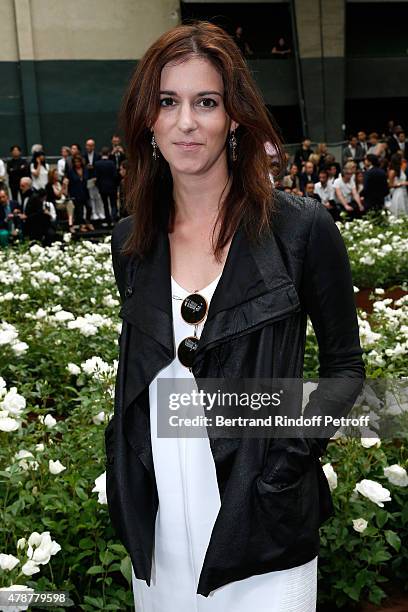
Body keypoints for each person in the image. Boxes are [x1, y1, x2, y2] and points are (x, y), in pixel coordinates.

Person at [107, 20, 364, 612]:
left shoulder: (299, 231)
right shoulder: (132, 242)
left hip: (261, 529)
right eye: (168, 102)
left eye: (206, 102)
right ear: (148, 119)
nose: (186, 122)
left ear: (234, 118)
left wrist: (283, 466)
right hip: (160, 532)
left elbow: (346, 368)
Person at [66, 155, 94, 232]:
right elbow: (69, 183)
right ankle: (82, 225)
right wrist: (69, 194)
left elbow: (88, 179)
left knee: (89, 207)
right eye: (75, 162)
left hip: (85, 192)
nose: (77, 163)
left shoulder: (85, 170)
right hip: (76, 193)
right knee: (79, 210)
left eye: (78, 161)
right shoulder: (71, 171)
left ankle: (88, 222)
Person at [95, 146, 118, 225]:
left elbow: (97, 177)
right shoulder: (112, 163)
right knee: (113, 203)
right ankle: (114, 219)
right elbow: (115, 175)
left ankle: (108, 220)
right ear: (108, 153)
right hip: (112, 187)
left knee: (105, 204)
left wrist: (98, 186)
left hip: (102, 187)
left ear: (101, 154)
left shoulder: (97, 164)